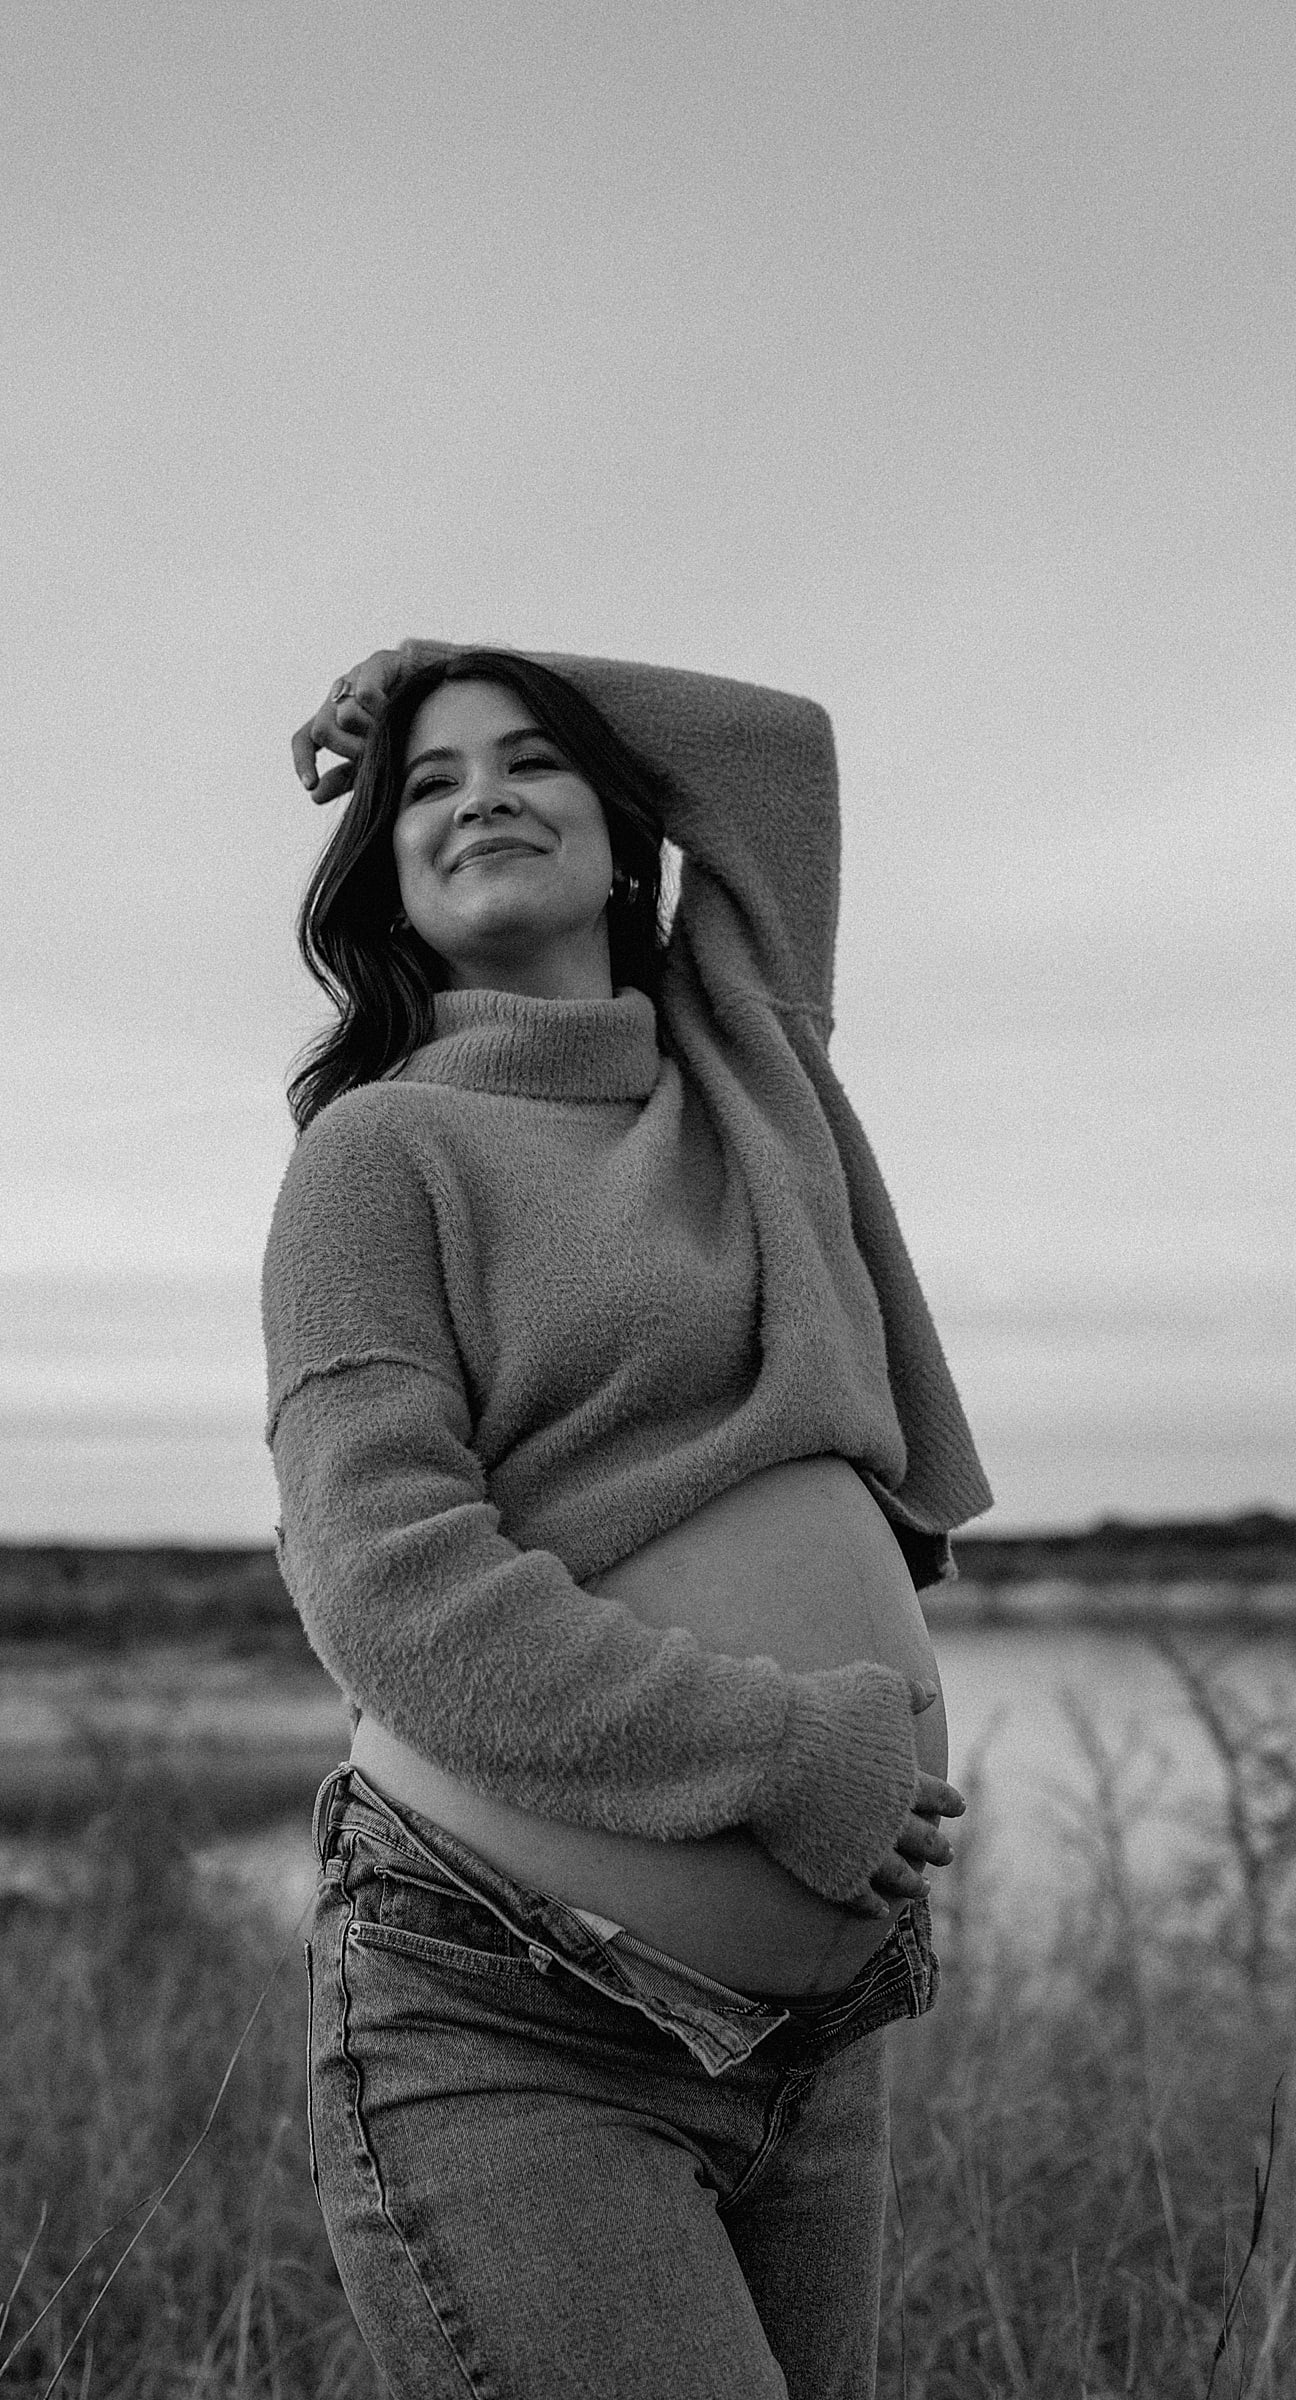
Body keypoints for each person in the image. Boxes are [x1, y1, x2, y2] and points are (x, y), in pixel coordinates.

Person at [263, 640, 993, 2400]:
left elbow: (777, 751)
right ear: (384, 875)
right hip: (505, 2016)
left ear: (627, 834)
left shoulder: (744, 1070)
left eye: (534, 766)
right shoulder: (380, 1156)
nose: (480, 798)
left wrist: (433, 661)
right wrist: (766, 1756)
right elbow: (385, 1584)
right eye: (426, 785)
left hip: (818, 2042)